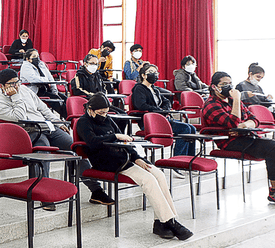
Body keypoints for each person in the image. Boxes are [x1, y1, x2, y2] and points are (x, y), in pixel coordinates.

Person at [0, 69, 114, 209]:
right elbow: (20, 116)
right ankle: (44, 194)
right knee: (43, 152)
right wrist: (15, 97)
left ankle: (96, 191)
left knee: (75, 149)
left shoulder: (24, 89)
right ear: (1, 86)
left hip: (47, 127)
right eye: (11, 84)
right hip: (29, 132)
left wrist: (58, 122)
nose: (17, 86)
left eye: (17, 82)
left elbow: (42, 108)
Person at [77, 93, 193, 240]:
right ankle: (170, 222)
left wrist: (137, 158)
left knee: (159, 175)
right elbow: (92, 141)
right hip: (105, 161)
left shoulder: (108, 119)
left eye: (106, 112)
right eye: (101, 113)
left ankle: (161, 222)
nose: (104, 115)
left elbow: (125, 143)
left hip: (122, 158)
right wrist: (116, 137)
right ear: (90, 110)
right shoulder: (83, 122)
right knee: (148, 180)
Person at [202, 71, 275, 206]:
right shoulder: (211, 104)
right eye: (224, 84)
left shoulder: (231, 101)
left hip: (245, 137)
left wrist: (244, 125)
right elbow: (233, 122)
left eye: (230, 83)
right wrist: (237, 100)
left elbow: (254, 119)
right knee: (273, 147)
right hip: (228, 142)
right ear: (214, 87)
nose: (228, 87)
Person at [132, 64, 196, 158]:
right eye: (150, 72)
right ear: (143, 75)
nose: (154, 74)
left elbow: (166, 101)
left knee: (192, 129)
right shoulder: (139, 88)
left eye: (155, 72)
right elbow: (141, 105)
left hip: (162, 119)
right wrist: (159, 110)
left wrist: (165, 109)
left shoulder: (155, 90)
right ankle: (178, 160)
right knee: (185, 129)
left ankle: (189, 159)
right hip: (150, 122)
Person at [71, 54, 130, 133]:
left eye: (96, 64)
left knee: (123, 115)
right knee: (113, 117)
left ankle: (120, 136)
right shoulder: (79, 75)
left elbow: (103, 89)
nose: (94, 66)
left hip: (101, 103)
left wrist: (102, 97)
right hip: (90, 103)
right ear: (85, 64)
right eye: (92, 63)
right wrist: (94, 96)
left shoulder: (97, 75)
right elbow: (77, 90)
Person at [19, 49, 67, 119]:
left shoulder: (41, 64)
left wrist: (54, 91)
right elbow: (33, 79)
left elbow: (50, 77)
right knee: (57, 101)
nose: (37, 58)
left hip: (46, 89)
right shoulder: (25, 66)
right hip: (35, 91)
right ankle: (68, 120)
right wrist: (46, 81)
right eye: (34, 56)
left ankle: (72, 118)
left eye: (38, 56)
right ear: (28, 59)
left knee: (65, 99)